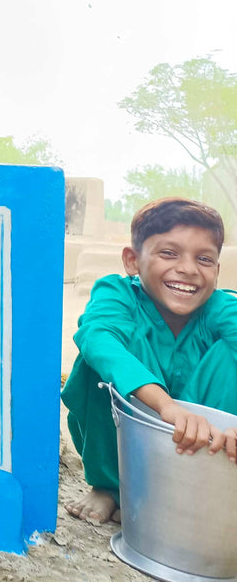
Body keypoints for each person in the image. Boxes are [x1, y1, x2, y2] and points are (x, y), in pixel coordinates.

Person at [61, 197, 237, 524]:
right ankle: (111, 488)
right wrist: (164, 404)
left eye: (204, 258)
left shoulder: (221, 308)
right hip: (126, 443)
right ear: (133, 261)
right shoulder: (118, 294)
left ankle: (200, 488)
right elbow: (98, 337)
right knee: (97, 361)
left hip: (201, 446)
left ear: (217, 269)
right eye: (168, 253)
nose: (187, 269)